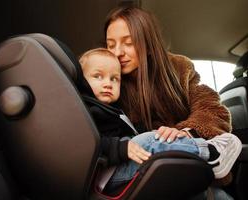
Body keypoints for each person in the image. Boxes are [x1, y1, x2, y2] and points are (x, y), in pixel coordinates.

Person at [102, 5, 241, 199]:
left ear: (148, 44)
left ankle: (211, 155)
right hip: (143, 180)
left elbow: (212, 110)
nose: (118, 52)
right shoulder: (106, 83)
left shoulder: (179, 69)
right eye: (111, 45)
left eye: (128, 42)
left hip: (190, 171)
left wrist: (186, 132)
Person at [78, 48, 241, 192]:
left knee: (153, 136)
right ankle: (211, 153)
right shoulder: (87, 109)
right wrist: (119, 147)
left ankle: (203, 159)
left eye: (114, 79)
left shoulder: (114, 109)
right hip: (107, 175)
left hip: (122, 166)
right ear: (82, 81)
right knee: (149, 139)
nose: (107, 83)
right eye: (98, 76)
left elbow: (210, 108)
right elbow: (84, 142)